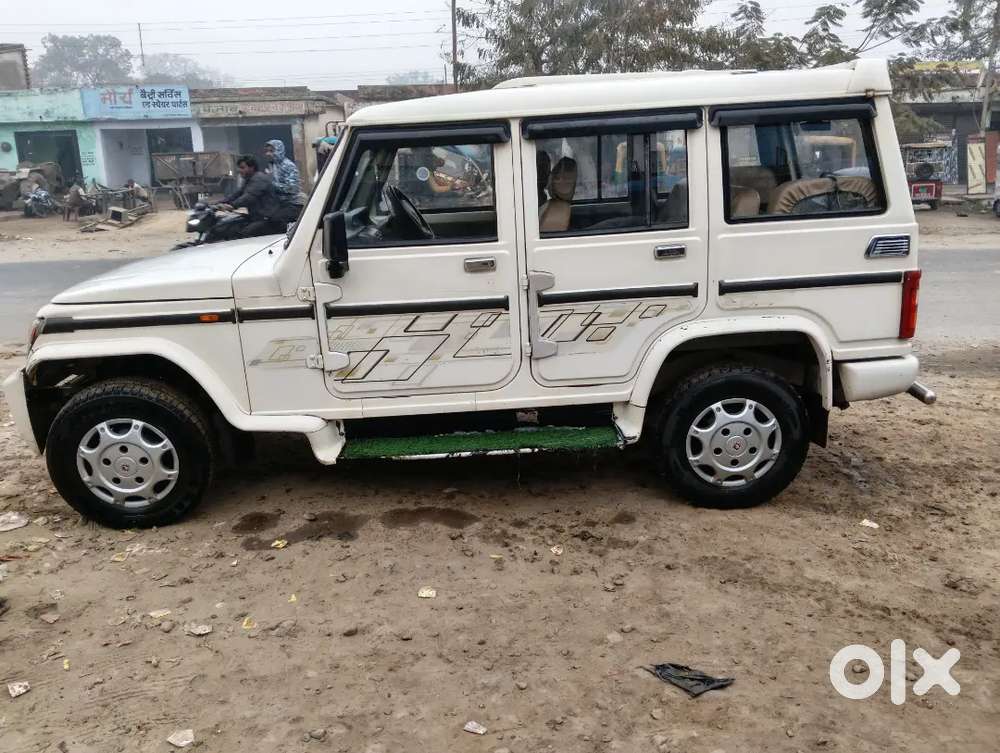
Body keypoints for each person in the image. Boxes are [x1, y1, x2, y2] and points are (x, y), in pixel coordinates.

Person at [216, 154, 295, 239]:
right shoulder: (248, 180)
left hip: (267, 219)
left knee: (243, 234)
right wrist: (218, 203)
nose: (239, 170)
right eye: (239, 168)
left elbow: (248, 197)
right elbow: (237, 194)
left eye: (242, 168)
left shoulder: (259, 179)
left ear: (252, 168)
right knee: (231, 225)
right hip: (256, 217)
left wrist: (232, 205)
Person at [263, 139, 302, 206]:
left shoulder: (288, 166)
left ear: (279, 151)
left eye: (271, 151)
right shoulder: (273, 165)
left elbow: (292, 189)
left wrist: (271, 182)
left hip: (292, 203)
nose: (268, 154)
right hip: (278, 203)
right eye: (267, 151)